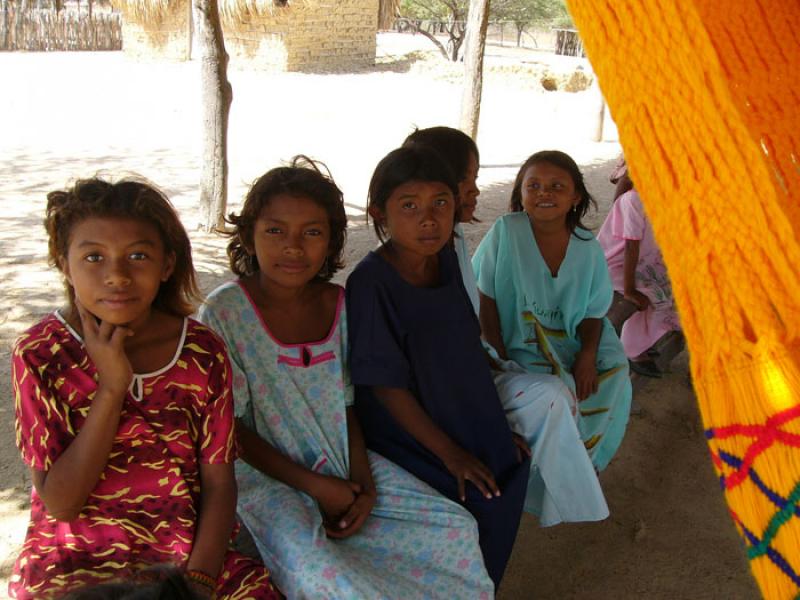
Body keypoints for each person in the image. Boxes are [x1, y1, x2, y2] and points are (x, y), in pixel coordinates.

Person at [198, 157, 493, 599]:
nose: (293, 247)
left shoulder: (339, 303)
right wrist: (317, 487)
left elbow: (347, 402)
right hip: (267, 478)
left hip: (340, 454)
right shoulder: (224, 313)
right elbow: (231, 433)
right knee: (324, 574)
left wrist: (365, 484)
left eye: (312, 232)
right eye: (275, 231)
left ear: (332, 240)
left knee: (453, 527)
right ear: (249, 235)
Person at [9, 178, 279, 600]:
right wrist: (113, 387)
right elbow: (61, 504)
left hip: (186, 556)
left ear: (166, 265)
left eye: (138, 255)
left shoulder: (201, 351)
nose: (117, 275)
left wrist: (199, 583)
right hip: (74, 561)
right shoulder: (42, 354)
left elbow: (220, 482)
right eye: (93, 257)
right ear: (65, 264)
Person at [402, 126, 608, 526]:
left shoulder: (454, 239)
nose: (477, 192)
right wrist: (490, 383)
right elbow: (464, 326)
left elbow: (593, 310)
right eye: (469, 181)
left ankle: (560, 499)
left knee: (560, 395)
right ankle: (570, 502)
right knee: (551, 397)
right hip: (449, 390)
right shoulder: (418, 260)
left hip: (480, 369)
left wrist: (494, 362)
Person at [346, 145, 530, 588]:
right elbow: (386, 388)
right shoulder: (370, 283)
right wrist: (451, 455)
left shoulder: (445, 259)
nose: (428, 219)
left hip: (464, 406)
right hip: (410, 428)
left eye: (440, 203)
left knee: (508, 471)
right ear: (380, 213)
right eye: (409, 206)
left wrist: (494, 428)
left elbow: (464, 346)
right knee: (473, 501)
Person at [472, 151, 632, 472]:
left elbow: (593, 312)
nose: (544, 193)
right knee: (553, 387)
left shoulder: (587, 245)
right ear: (521, 194)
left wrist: (587, 355)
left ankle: (583, 460)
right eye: (533, 186)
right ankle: (545, 465)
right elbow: (484, 297)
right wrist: (498, 352)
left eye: (556, 186)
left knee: (613, 373)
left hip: (573, 339)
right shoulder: (506, 231)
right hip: (513, 338)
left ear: (575, 197)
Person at [597, 163, 684, 377]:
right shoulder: (633, 200)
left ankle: (645, 340)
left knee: (672, 292)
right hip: (614, 264)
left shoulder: (664, 200)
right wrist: (629, 290)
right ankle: (632, 349)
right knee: (650, 293)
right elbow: (630, 247)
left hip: (642, 261)